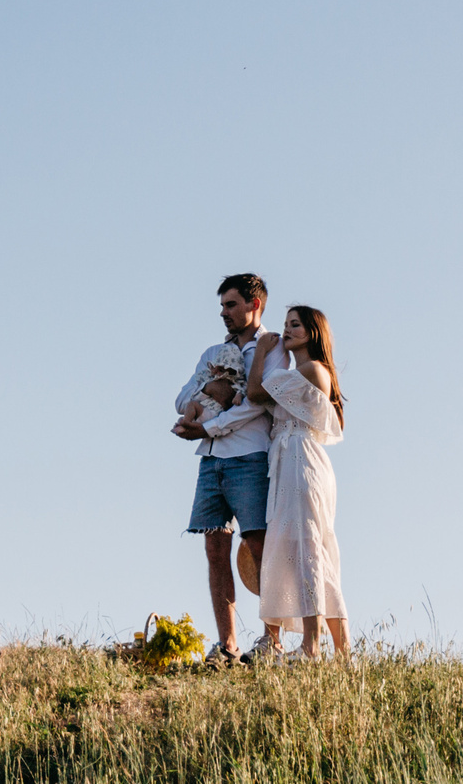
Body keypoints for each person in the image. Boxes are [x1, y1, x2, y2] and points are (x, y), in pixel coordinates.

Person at [171, 274, 273, 663]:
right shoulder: (213, 352)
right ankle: (228, 644)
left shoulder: (272, 348)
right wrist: (213, 392)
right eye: (222, 306)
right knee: (214, 547)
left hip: (250, 457)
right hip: (211, 460)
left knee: (259, 546)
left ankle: (271, 639)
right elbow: (181, 399)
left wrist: (212, 422)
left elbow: (257, 403)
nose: (224, 313)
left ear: (254, 304)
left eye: (231, 305)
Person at [245, 303, 350, 660]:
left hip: (300, 461)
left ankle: (311, 645)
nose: (286, 330)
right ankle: (342, 649)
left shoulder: (310, 369)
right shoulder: (303, 371)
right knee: (307, 548)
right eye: (286, 324)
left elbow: (256, 392)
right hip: (290, 460)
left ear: (312, 332)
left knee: (307, 548)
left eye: (295, 325)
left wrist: (262, 351)